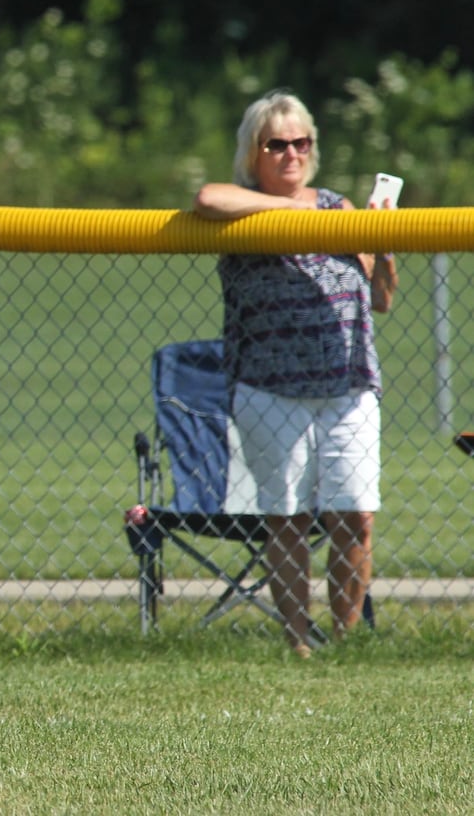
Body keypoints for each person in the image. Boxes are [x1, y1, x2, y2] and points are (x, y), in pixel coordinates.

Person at [193, 89, 398, 658]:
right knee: (287, 519)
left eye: (300, 142)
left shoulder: (339, 206)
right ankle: (298, 644)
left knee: (355, 517)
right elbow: (207, 198)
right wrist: (294, 211)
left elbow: (380, 299)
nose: (291, 153)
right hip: (269, 388)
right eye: (276, 144)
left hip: (348, 386)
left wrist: (385, 250)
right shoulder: (241, 203)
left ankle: (346, 641)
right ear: (253, 152)